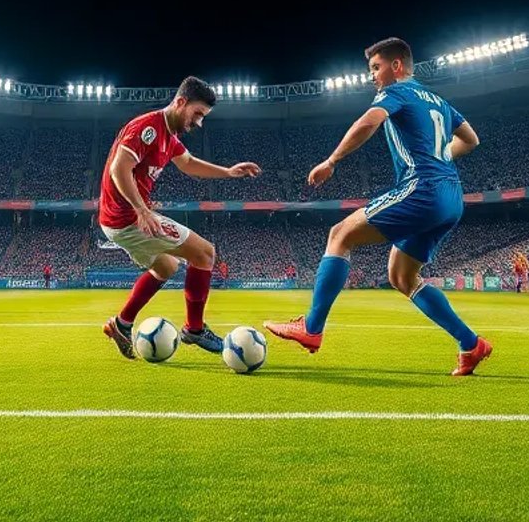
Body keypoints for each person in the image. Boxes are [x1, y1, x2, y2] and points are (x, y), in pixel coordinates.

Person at [266, 38, 492, 376]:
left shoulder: (395, 92)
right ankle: (470, 344)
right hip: (452, 197)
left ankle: (311, 329)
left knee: (339, 234)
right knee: (402, 276)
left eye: (376, 67)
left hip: (423, 189)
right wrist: (440, 156)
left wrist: (332, 160)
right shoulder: (439, 101)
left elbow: (367, 123)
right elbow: (471, 139)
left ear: (396, 65)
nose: (372, 76)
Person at [97, 77, 262, 359]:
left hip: (117, 220)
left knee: (167, 267)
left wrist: (229, 172)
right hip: (127, 218)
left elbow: (188, 164)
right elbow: (118, 169)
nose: (198, 122)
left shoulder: (169, 137)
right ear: (181, 102)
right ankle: (194, 329)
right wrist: (142, 210)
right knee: (205, 253)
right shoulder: (148, 127)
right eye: (197, 114)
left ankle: (122, 324)